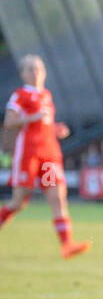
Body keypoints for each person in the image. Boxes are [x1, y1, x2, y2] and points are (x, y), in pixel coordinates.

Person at [0, 54, 90, 258]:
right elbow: (10, 122)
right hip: (28, 154)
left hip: (49, 154)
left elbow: (44, 124)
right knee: (19, 201)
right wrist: (33, 117)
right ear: (23, 73)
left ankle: (67, 244)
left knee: (58, 197)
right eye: (31, 69)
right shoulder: (20, 95)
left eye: (39, 68)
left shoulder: (46, 95)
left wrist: (56, 129)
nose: (36, 72)